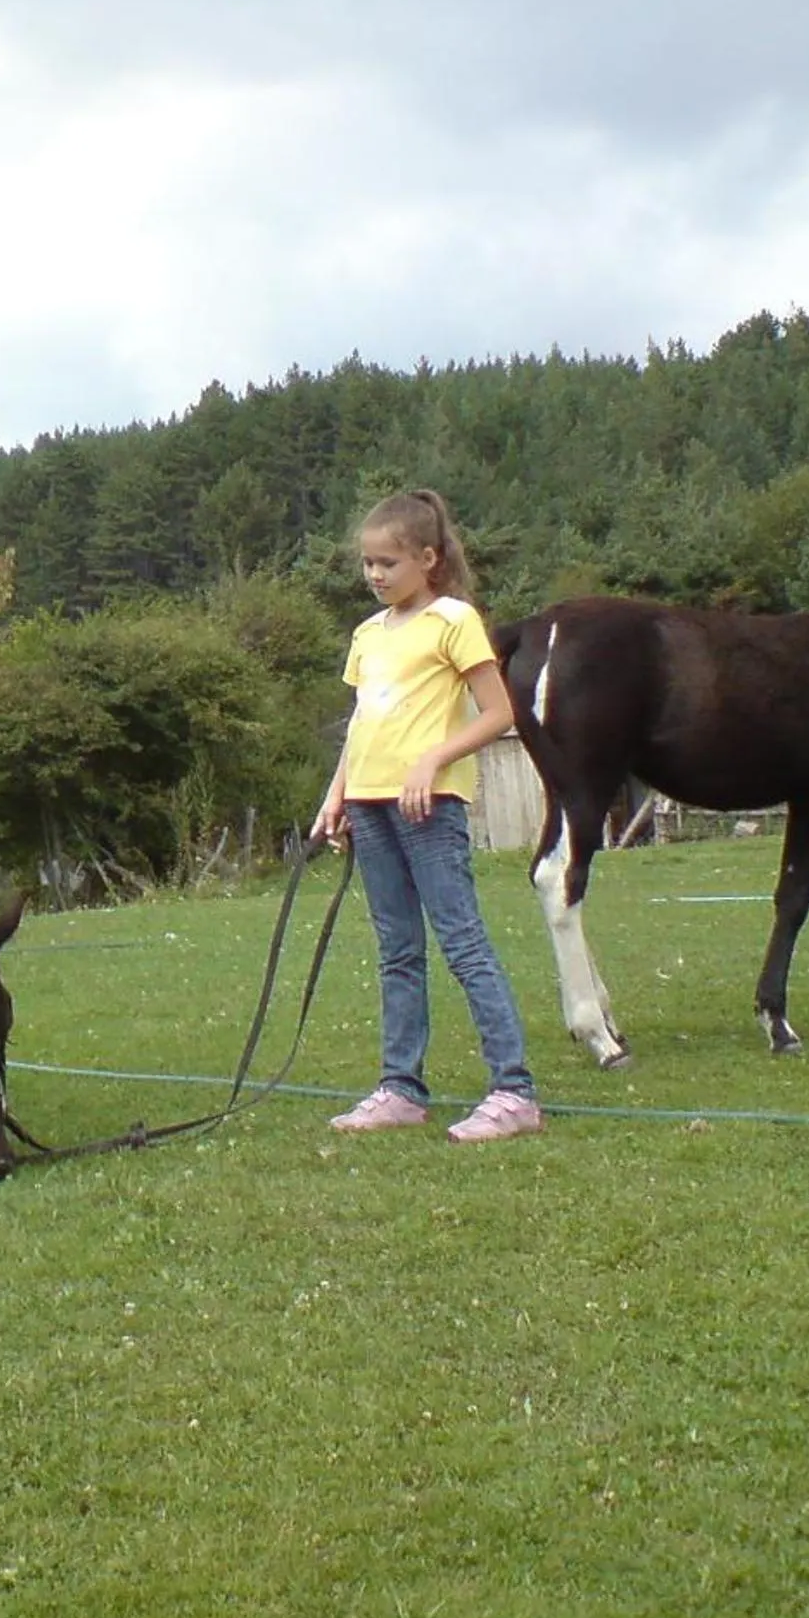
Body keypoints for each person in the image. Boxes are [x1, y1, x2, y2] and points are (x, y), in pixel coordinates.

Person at [311, 489, 541, 1142]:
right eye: (368, 563)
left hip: (428, 807)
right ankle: (401, 1089)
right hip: (369, 806)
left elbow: (499, 713)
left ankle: (514, 1091)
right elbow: (363, 722)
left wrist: (432, 761)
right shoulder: (366, 635)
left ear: (429, 559)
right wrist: (337, 795)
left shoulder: (453, 621)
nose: (375, 574)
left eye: (388, 562)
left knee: (462, 943)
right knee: (397, 951)